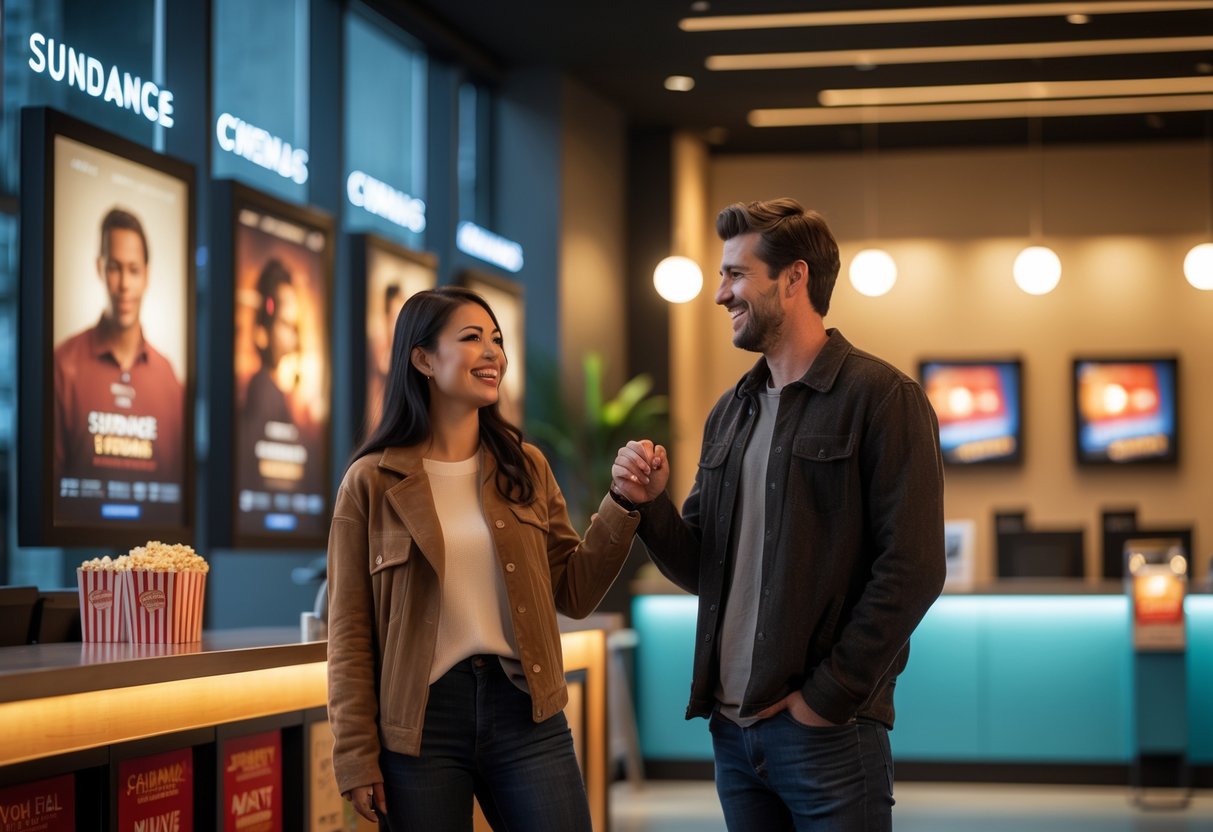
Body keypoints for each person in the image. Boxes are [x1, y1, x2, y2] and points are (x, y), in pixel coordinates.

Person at [611, 198, 946, 831]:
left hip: (828, 736)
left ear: (794, 278)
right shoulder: (730, 413)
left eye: (736, 274)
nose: (720, 294)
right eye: (720, 275)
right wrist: (649, 504)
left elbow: (914, 568)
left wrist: (828, 699)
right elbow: (703, 565)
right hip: (733, 737)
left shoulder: (882, 399)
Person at [326, 286, 640, 831]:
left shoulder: (526, 466)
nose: (494, 352)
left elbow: (574, 591)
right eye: (471, 338)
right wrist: (355, 753)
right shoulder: (370, 482)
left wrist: (624, 504)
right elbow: (349, 631)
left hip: (526, 708)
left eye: (497, 339)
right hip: (420, 722)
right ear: (422, 359)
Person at [53, 206, 184, 523]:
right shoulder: (64, 363)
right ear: (99, 269)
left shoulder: (168, 377)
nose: (124, 284)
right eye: (114, 268)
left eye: (133, 270)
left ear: (147, 275)